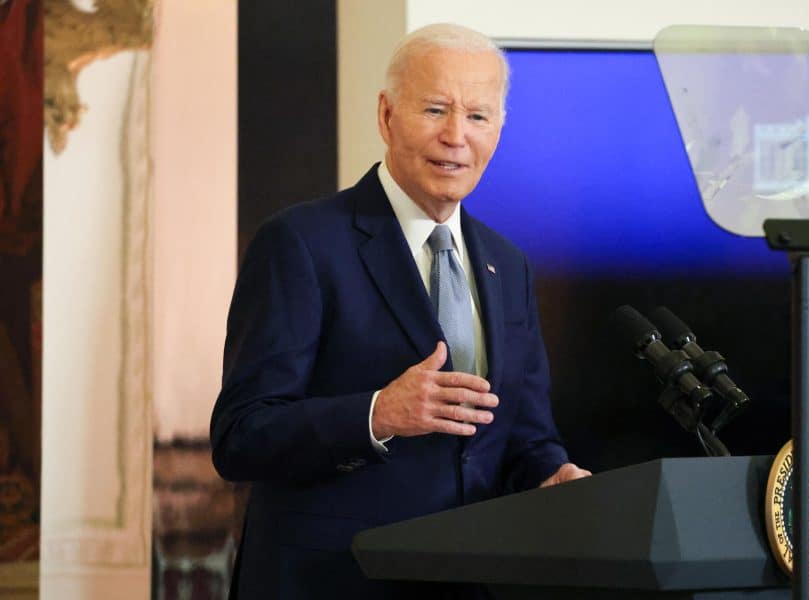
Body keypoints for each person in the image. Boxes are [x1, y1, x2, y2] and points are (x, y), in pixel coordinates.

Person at [210, 23, 590, 599]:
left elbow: (524, 435)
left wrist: (554, 475)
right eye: (435, 109)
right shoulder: (302, 243)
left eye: (479, 117)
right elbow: (240, 435)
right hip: (329, 582)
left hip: (467, 581)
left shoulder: (508, 266)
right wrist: (378, 414)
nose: (456, 136)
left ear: (499, 131)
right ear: (387, 116)